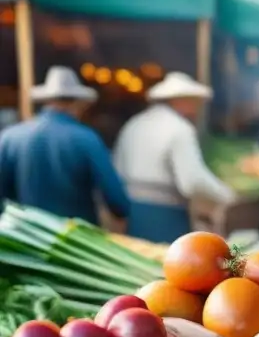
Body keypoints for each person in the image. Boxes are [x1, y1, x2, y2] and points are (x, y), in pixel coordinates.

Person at [114, 72, 235, 242]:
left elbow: (117, 167)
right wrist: (225, 194)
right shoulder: (180, 129)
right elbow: (192, 182)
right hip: (166, 215)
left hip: (134, 211)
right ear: (180, 100)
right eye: (194, 101)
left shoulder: (134, 123)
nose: (197, 107)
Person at [0, 67, 129, 225]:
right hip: (73, 239)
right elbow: (117, 201)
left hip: (25, 235)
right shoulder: (86, 138)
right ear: (78, 103)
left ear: (46, 101)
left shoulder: (10, 137)